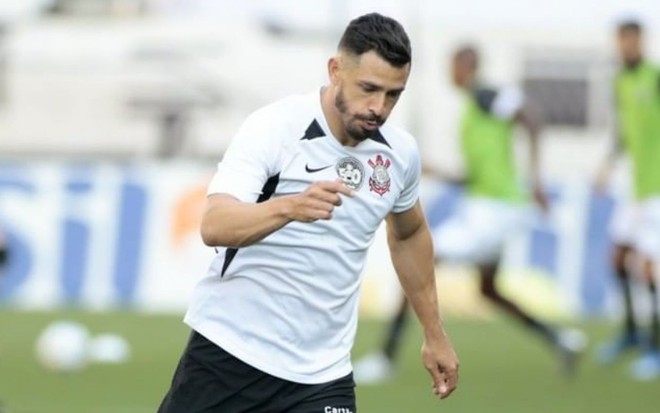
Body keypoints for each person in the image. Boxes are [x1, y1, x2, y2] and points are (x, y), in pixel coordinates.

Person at [158, 13, 459, 413]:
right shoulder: (275, 127)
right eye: (368, 89)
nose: (378, 108)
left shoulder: (398, 154)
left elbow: (408, 233)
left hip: (323, 377)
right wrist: (288, 207)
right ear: (335, 70)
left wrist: (434, 332)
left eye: (392, 94)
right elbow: (215, 225)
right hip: (229, 357)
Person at [353, 45, 587, 384]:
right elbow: (476, 175)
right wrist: (438, 172)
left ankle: (385, 359)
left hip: (495, 212)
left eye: (453, 65)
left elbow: (531, 116)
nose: (451, 73)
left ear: (465, 66)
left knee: (417, 263)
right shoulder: (474, 111)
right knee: (488, 289)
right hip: (489, 209)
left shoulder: (484, 94)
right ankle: (562, 340)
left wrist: (536, 180)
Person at [594, 19, 660, 381]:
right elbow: (623, 130)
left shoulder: (655, 76)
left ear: (641, 42)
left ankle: (655, 347)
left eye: (631, 41)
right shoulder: (620, 81)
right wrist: (606, 166)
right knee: (618, 258)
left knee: (649, 268)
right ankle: (633, 333)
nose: (626, 47)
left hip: (658, 190)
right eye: (622, 41)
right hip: (635, 187)